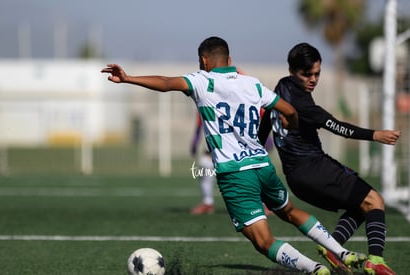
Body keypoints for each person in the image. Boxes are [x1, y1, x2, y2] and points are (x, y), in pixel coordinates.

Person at [101, 36, 363, 274]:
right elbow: (290, 111)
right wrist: (291, 125)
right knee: (291, 212)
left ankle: (314, 269)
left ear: (204, 61)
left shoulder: (202, 81)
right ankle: (342, 252)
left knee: (263, 241)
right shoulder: (252, 84)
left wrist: (128, 78)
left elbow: (167, 83)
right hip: (263, 166)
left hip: (236, 175)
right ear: (230, 60)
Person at [258, 42, 400, 275]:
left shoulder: (281, 86)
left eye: (317, 73)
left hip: (297, 179)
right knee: (375, 201)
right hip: (315, 170)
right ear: (292, 70)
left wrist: (259, 156)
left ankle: (333, 249)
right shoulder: (302, 104)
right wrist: (376, 135)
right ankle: (375, 261)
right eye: (307, 74)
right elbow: (337, 127)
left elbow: (264, 125)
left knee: (360, 204)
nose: (313, 79)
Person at [189, 112, 216, 214]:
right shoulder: (205, 103)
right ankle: (207, 203)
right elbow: (199, 127)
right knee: (205, 164)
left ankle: (261, 204)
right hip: (212, 150)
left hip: (233, 150)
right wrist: (195, 143)